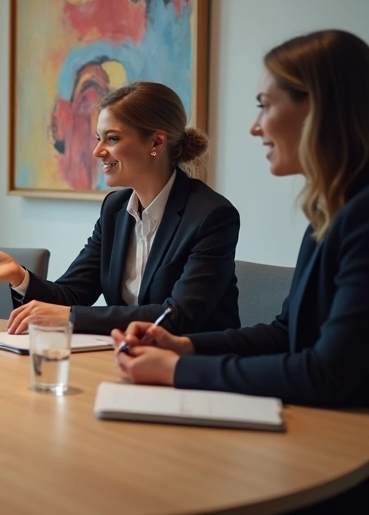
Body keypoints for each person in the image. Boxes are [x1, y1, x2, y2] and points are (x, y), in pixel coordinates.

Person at [115, 30, 369, 408]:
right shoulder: (330, 212)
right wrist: (183, 346)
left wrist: (175, 371)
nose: (255, 126)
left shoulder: (361, 218)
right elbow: (288, 334)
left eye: (265, 105)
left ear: (319, 109)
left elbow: (325, 373)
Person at [0, 82, 240, 335]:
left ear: (156, 141)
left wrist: (71, 317)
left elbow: (178, 317)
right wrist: (19, 276)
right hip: (128, 361)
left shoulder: (210, 216)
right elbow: (72, 294)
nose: (97, 151)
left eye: (112, 138)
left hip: (197, 372)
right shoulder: (115, 209)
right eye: (98, 138)